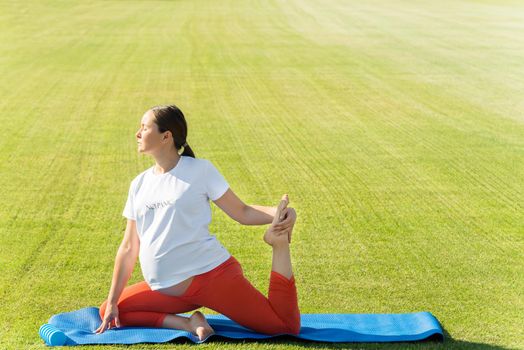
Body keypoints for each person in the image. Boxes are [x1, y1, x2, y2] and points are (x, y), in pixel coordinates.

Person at [95, 105, 300, 341]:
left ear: (166, 136)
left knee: (284, 326)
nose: (137, 133)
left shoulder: (199, 170)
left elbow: (241, 211)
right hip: (168, 289)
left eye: (144, 127)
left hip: (212, 278)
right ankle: (189, 323)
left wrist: (279, 214)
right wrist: (112, 300)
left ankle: (279, 244)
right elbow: (129, 247)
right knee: (110, 310)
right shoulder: (139, 184)